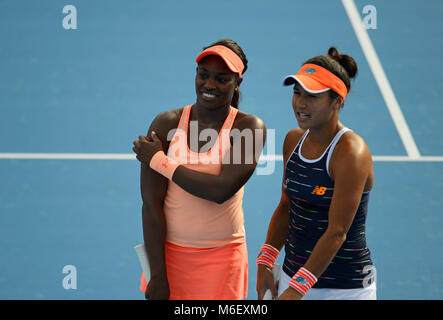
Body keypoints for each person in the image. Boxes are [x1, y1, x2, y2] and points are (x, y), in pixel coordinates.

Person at [132, 39, 266, 300]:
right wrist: (158, 275)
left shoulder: (249, 127)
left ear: (237, 83)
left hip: (224, 257)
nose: (210, 85)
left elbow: (221, 190)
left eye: (222, 79)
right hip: (167, 257)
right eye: (203, 75)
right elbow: (151, 204)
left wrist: (159, 161)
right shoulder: (166, 122)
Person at [256, 47, 376, 300]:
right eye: (297, 93)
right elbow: (286, 207)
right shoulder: (293, 140)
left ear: (337, 101)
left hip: (346, 289)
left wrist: (295, 291)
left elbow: (337, 231)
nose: (300, 103)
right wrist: (266, 262)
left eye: (312, 96)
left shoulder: (351, 152)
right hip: (293, 277)